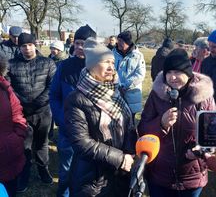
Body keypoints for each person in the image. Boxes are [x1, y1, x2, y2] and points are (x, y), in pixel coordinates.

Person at [138, 48, 216, 197]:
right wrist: (161, 124)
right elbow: (142, 129)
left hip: (192, 175)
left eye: (178, 72)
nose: (173, 77)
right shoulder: (157, 94)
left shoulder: (203, 97)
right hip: (160, 174)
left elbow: (215, 133)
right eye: (169, 72)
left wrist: (199, 151)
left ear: (188, 73)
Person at [64, 38, 136, 196]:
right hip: (93, 177)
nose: (111, 67)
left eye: (112, 62)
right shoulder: (76, 99)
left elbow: (128, 126)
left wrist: (130, 152)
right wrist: (120, 158)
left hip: (120, 173)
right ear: (92, 66)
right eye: (105, 62)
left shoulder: (116, 93)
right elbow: (81, 143)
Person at [49, 24, 97, 197]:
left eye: (84, 43)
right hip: (67, 131)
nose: (79, 47)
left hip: (92, 133)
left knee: (89, 171)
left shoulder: (100, 67)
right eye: (77, 43)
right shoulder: (64, 66)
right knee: (66, 170)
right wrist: (62, 120)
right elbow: (54, 96)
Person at [6, 33, 56, 192]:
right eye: (23, 46)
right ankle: (24, 174)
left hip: (42, 112)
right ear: (19, 47)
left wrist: (37, 104)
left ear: (35, 45)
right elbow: (9, 87)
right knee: (24, 145)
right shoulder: (11, 64)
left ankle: (43, 169)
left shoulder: (48, 63)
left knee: (42, 143)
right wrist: (22, 104)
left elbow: (52, 86)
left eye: (29, 45)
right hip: (22, 113)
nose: (27, 48)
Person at [0, 54, 27, 197]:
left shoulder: (4, 87)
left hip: (9, 155)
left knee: (10, 191)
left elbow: (17, 114)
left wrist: (18, 136)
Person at [113, 31, 146, 119]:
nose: (118, 43)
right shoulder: (113, 53)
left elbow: (140, 75)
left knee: (130, 120)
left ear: (127, 42)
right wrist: (117, 85)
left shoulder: (138, 56)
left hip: (132, 94)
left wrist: (125, 86)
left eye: (120, 41)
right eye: (118, 40)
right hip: (115, 92)